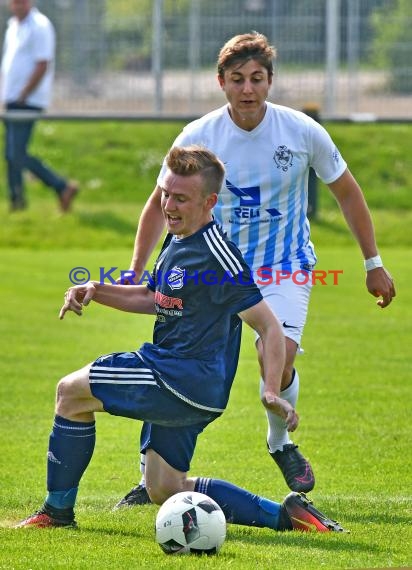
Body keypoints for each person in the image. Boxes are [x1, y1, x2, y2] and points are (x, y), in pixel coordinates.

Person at [115, 32, 396, 508]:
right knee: (177, 363)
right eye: (238, 79)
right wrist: (135, 269)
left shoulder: (302, 131)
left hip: (283, 266)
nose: (249, 89)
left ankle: (280, 442)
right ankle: (150, 477)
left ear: (271, 81)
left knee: (280, 354)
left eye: (258, 79)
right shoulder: (198, 135)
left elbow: (347, 191)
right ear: (221, 82)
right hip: (211, 270)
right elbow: (157, 204)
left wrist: (374, 263)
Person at [16, 145, 345, 533]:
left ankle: (56, 514)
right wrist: (96, 289)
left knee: (70, 393)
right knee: (164, 487)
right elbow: (154, 297)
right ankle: (287, 514)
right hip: (186, 384)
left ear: (208, 202)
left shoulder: (218, 256)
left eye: (180, 198)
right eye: (165, 194)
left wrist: (271, 390)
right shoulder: (178, 238)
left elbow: (270, 327)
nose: (168, 205)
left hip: (180, 377)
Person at [1, 0, 78, 212]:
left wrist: (24, 94)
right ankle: (17, 201)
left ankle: (61, 186)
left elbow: (42, 63)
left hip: (27, 101)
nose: (17, 4)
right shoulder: (13, 26)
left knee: (16, 153)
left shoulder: (40, 25)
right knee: (11, 153)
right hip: (12, 100)